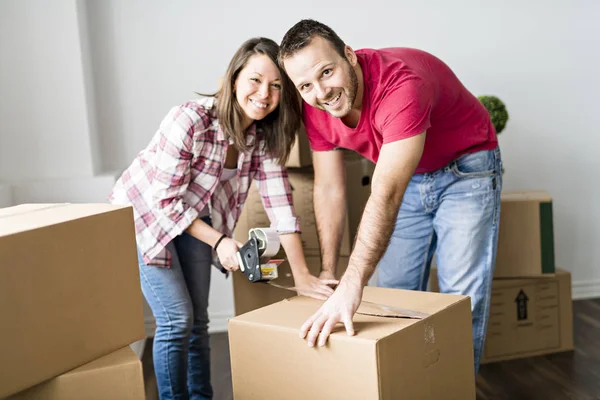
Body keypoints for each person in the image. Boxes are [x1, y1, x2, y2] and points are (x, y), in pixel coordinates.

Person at [108, 37, 338, 400]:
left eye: (277, 86)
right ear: (234, 79)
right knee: (176, 319)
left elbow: (281, 207)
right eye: (255, 80)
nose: (265, 93)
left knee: (199, 321)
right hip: (144, 217)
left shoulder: (262, 137)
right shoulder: (190, 119)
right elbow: (164, 201)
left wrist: (304, 277)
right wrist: (219, 241)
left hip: (192, 219)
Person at [278, 19, 502, 375]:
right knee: (393, 294)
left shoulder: (401, 86)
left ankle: (455, 388)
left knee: (460, 298)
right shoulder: (313, 107)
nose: (321, 92)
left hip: (465, 169)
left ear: (349, 55)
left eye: (326, 72)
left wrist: (352, 283)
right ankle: (409, 386)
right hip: (406, 172)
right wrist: (329, 273)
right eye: (305, 84)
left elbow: (385, 194)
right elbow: (329, 187)